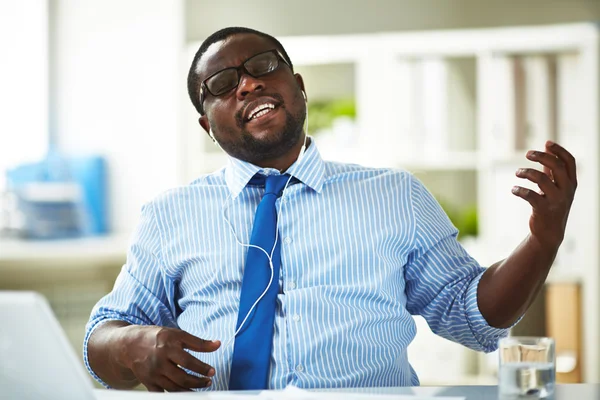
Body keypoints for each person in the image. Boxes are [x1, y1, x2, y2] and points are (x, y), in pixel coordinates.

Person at [84, 27, 578, 392]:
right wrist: (131, 346)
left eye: (262, 66)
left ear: (298, 86)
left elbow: (473, 318)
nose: (248, 85)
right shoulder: (169, 216)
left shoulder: (394, 196)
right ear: (205, 125)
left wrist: (543, 240)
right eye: (221, 84)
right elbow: (99, 340)